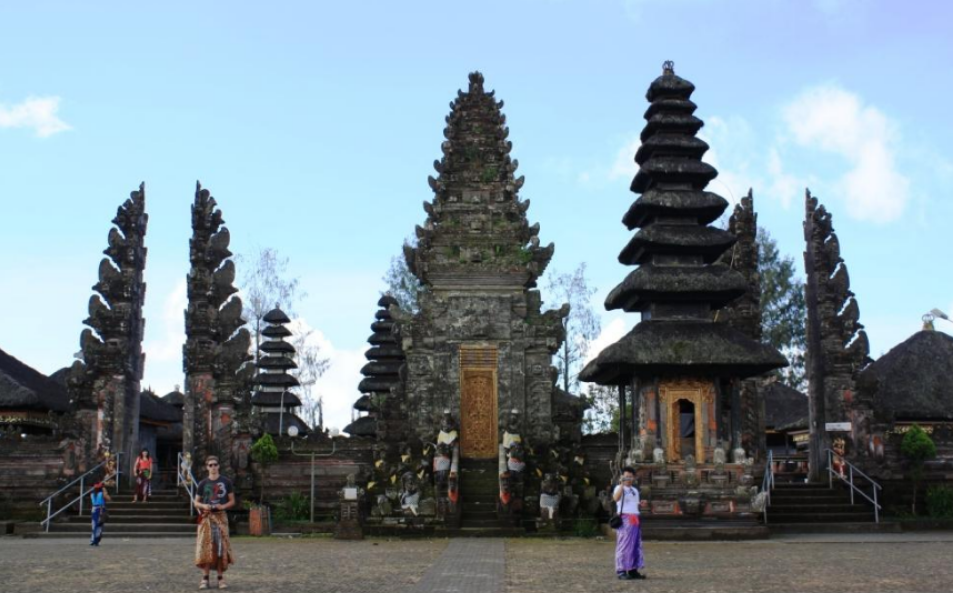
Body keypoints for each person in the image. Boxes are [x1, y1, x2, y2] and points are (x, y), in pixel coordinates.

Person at [194, 456, 235, 590]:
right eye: (210, 465)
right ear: (207, 467)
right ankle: (205, 578)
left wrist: (222, 507)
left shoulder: (226, 482)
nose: (213, 467)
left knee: (220, 547)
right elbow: (196, 502)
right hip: (206, 517)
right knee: (206, 547)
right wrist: (204, 506)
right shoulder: (202, 483)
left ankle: (220, 578)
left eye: (215, 464)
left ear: (219, 466)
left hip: (221, 517)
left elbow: (232, 501)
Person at [612, 467, 645, 580]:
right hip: (625, 519)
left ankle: (632, 569)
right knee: (624, 545)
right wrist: (621, 484)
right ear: (622, 477)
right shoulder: (619, 488)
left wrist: (641, 504)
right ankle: (621, 570)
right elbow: (616, 499)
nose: (628, 479)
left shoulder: (635, 490)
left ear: (634, 477)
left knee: (635, 545)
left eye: (630, 476)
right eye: (626, 476)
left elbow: (634, 504)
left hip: (635, 518)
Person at [89, 482, 111, 546]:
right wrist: (105, 491)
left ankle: (92, 539)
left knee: (94, 524)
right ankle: (96, 540)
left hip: (94, 509)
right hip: (100, 510)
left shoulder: (92, 494)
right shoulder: (102, 493)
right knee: (99, 525)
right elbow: (108, 498)